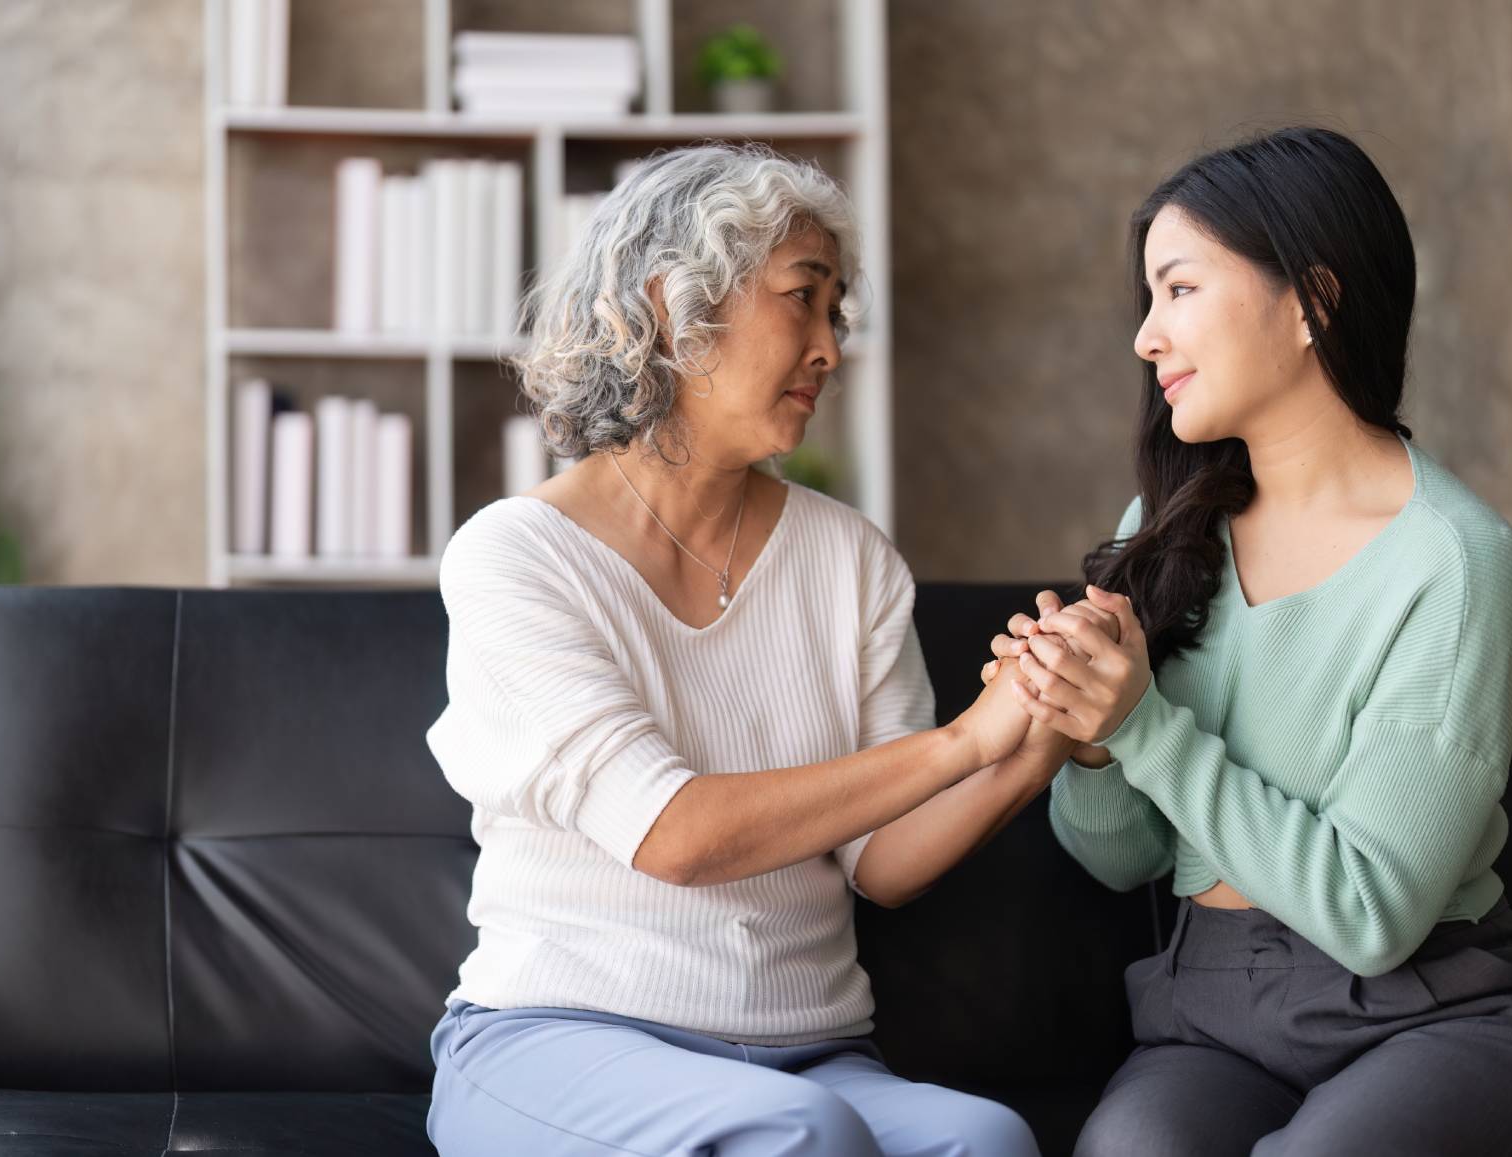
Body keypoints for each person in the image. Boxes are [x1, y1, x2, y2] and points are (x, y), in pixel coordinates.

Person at [423, 143, 1078, 1156]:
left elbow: (885, 863)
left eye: (837, 312)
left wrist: (1033, 729)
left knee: (983, 1139)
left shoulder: (848, 555)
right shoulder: (515, 557)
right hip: (555, 1037)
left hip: (809, 1052)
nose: (829, 347)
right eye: (802, 299)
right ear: (671, 308)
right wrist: (960, 741)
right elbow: (677, 834)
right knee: (797, 1132)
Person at [984, 126, 1512, 1157]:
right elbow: (1122, 858)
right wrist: (1092, 740)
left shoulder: (1454, 563)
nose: (1147, 337)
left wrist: (1143, 726)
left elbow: (1370, 912)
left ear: (1313, 302)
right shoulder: (1170, 525)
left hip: (1434, 1008)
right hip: (1214, 1013)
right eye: (1148, 300)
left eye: (1180, 290)